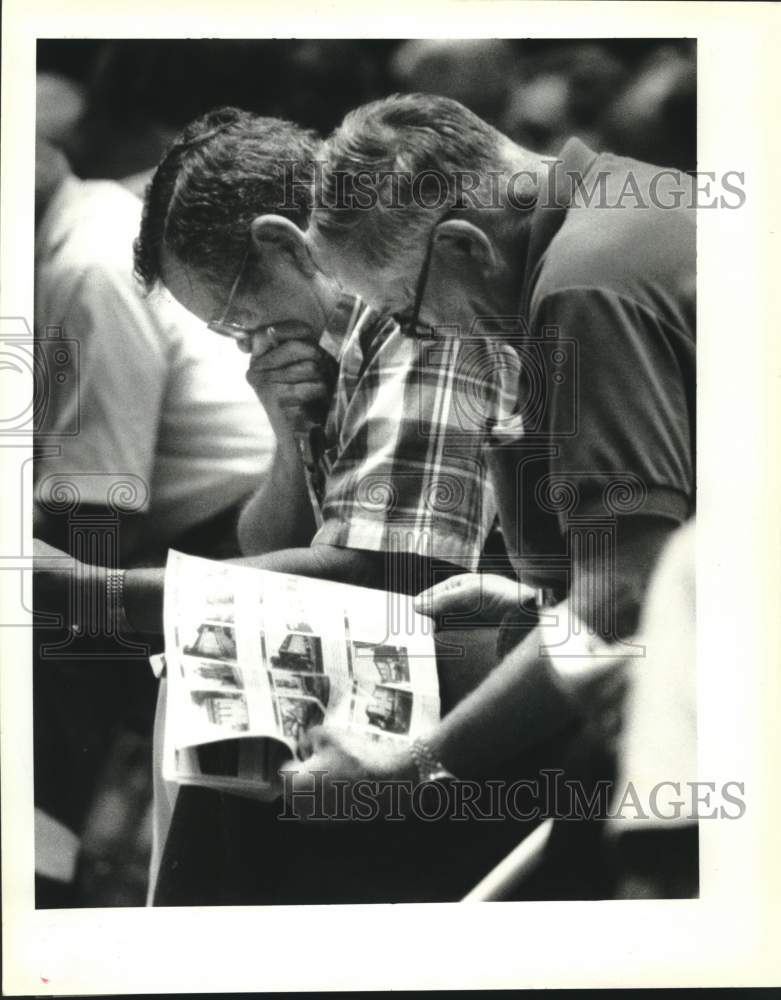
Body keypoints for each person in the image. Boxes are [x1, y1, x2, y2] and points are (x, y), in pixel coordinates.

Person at [279, 92, 695, 858]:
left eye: (407, 314)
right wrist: (535, 595)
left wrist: (410, 772)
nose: (424, 334)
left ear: (468, 248)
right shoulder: (625, 192)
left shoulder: (579, 285)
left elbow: (628, 587)